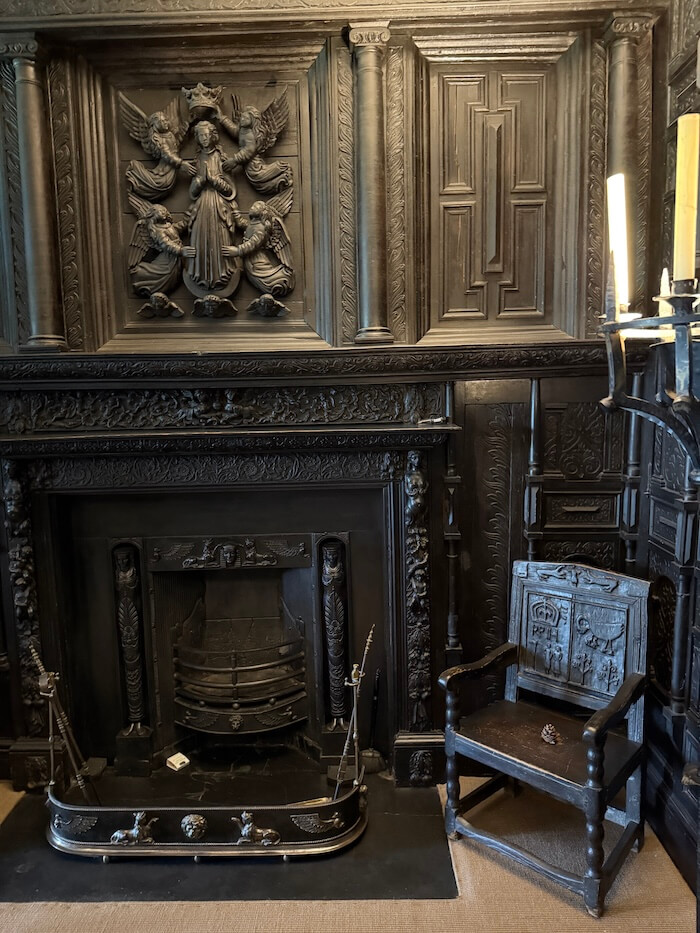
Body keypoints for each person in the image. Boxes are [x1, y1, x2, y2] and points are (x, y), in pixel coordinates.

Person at [184, 121, 240, 296]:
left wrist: (214, 181)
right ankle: (199, 275)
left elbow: (230, 189)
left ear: (213, 136)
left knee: (220, 237)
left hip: (219, 206)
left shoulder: (221, 158)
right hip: (201, 206)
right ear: (198, 138)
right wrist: (200, 182)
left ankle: (222, 274)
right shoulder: (198, 158)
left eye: (207, 135)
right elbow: (192, 190)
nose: (205, 138)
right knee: (200, 238)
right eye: (201, 136)